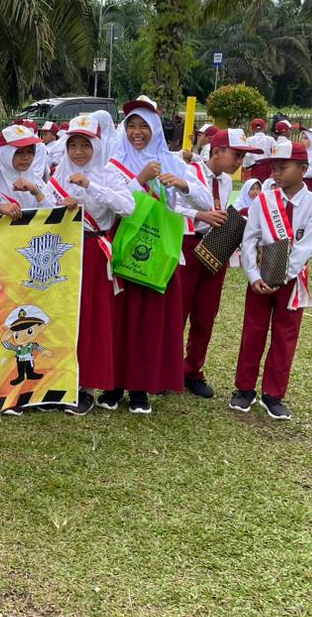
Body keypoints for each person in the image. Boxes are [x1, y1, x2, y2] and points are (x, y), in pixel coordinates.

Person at [106, 96, 214, 415]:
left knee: (150, 324)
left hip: (161, 254)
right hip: (125, 251)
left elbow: (204, 202)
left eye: (144, 126)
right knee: (120, 321)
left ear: (155, 129)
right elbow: (113, 204)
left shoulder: (173, 162)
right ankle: (114, 386)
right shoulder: (114, 162)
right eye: (132, 126)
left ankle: (141, 389)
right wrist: (138, 181)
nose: (137, 132)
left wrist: (182, 183)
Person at [46, 112, 135, 415]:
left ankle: (84, 386)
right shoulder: (58, 173)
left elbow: (128, 206)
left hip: (94, 250)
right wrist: (60, 203)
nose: (79, 152)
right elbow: (45, 202)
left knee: (91, 318)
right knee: (64, 316)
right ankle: (60, 380)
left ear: (97, 146)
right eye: (73, 145)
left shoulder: (109, 173)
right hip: (64, 250)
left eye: (86, 145)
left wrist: (90, 187)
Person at [232, 140, 312, 420]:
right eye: (273, 167)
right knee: (253, 331)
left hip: (291, 280)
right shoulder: (264, 199)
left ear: (303, 169)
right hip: (260, 278)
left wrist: (281, 276)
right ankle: (244, 388)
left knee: (285, 337)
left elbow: (307, 246)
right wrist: (252, 275)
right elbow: (249, 239)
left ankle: (273, 394)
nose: (275, 172)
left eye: (282, 167)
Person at [178, 129, 257, 399]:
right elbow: (169, 206)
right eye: (236, 155)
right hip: (188, 244)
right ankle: (169, 368)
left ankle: (193, 370)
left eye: (242, 157)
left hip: (216, 245)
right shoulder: (189, 173)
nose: (239, 162)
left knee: (206, 313)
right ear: (216, 151)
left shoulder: (224, 181)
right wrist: (199, 214)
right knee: (179, 311)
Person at [0, 125, 52, 211]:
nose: (26, 157)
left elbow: (52, 211)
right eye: (19, 152)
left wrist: (35, 191)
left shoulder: (34, 178)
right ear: (4, 153)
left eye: (30, 151)